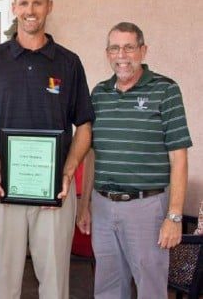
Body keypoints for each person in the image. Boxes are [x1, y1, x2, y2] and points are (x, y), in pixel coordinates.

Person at [0, 0, 94, 299]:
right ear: (14, 9)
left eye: (37, 3)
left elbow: (84, 128)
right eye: (23, 3)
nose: (30, 10)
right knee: (2, 282)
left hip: (55, 194)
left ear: (49, 8)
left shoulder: (69, 62)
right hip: (3, 188)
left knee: (54, 284)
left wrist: (67, 172)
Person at [76, 22, 192, 299]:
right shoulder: (99, 94)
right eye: (115, 48)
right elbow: (92, 153)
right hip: (103, 207)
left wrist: (174, 216)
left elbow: (179, 158)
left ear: (143, 50)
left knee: (150, 287)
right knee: (107, 287)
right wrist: (84, 205)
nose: (122, 55)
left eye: (129, 47)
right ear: (107, 53)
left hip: (147, 207)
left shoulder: (166, 90)